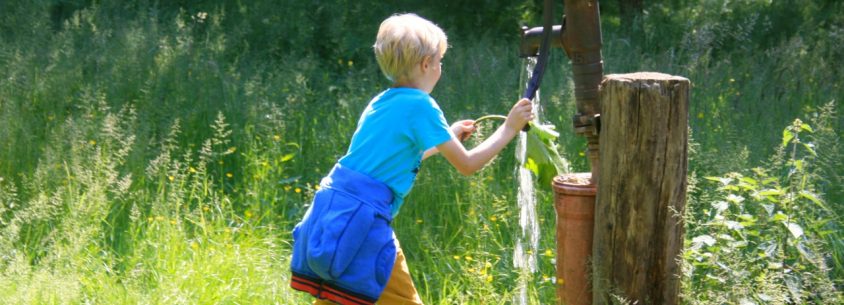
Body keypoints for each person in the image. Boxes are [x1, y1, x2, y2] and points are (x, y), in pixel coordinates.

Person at [289, 13, 533, 305]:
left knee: (336, 299)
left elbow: (395, 159)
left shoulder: (380, 101)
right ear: (426, 64)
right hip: (364, 227)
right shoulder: (422, 105)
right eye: (440, 61)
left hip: (335, 215)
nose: (441, 68)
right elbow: (467, 164)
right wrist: (509, 128)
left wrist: (449, 136)